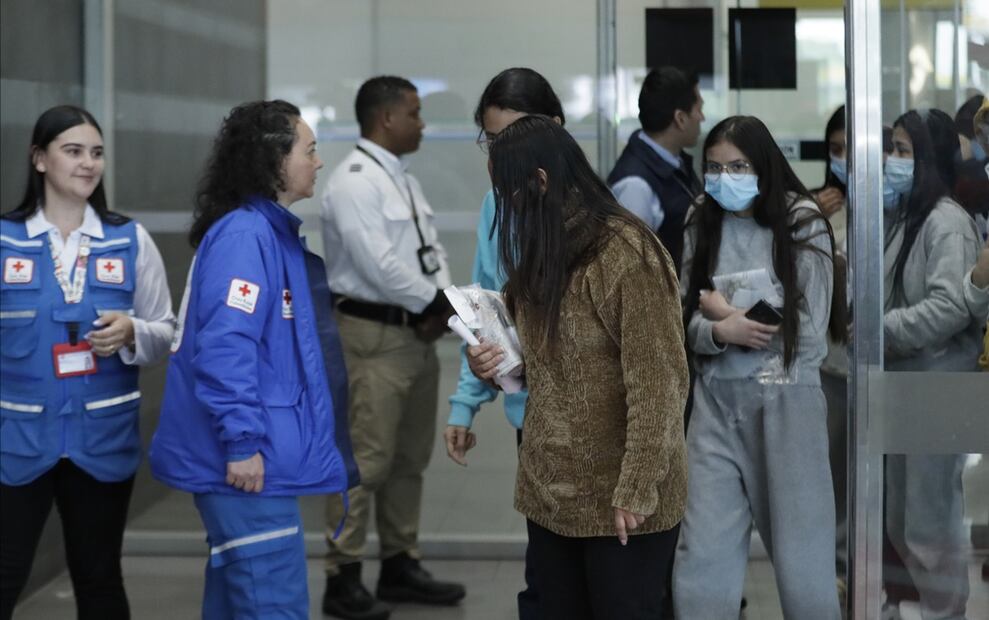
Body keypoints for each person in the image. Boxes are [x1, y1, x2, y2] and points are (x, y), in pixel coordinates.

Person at [469, 114, 689, 619]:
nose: (504, 207)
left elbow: (659, 383)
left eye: (508, 193)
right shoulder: (543, 249)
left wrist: (636, 488)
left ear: (540, 182)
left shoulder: (627, 252)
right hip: (552, 494)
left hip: (621, 500)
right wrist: (489, 358)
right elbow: (537, 360)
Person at [149, 100, 358, 619]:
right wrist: (241, 441)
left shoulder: (266, 233)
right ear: (274, 161)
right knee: (273, 605)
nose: (318, 162)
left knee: (237, 602)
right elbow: (226, 348)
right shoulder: (247, 236)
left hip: (254, 460)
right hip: (246, 466)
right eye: (309, 151)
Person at [0, 105, 175, 620]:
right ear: (39, 159)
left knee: (99, 579)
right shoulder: (5, 239)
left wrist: (133, 333)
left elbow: (167, 331)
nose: (88, 164)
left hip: (101, 439)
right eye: (72, 151)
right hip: (16, 440)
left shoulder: (130, 239)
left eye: (96, 153)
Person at [673, 115, 846, 619]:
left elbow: (807, 332)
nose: (725, 178)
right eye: (714, 167)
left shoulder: (801, 221)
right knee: (700, 559)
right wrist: (718, 331)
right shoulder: (700, 218)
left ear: (764, 165)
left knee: (803, 562)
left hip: (788, 405)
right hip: (714, 407)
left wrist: (723, 309)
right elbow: (684, 315)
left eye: (739, 166)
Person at [320, 76, 465, 620]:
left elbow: (427, 252)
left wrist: (437, 307)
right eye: (415, 113)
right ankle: (343, 575)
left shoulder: (399, 177)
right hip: (374, 339)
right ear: (386, 119)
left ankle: (400, 563)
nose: (422, 123)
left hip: (413, 335)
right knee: (365, 461)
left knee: (408, 458)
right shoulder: (356, 181)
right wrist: (438, 303)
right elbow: (377, 266)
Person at [443, 66, 564, 620]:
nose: (502, 155)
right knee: (545, 572)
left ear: (555, 130)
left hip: (586, 415)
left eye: (514, 137)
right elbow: (485, 311)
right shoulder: (498, 207)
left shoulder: (589, 213)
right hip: (530, 413)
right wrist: (467, 401)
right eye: (493, 142)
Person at [880, 109, 983, 620]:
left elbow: (951, 307)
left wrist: (882, 331)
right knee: (902, 519)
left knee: (930, 522)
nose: (891, 161)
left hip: (937, 386)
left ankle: (948, 612)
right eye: (892, 149)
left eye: (903, 151)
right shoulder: (907, 217)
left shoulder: (946, 222)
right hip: (906, 386)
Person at [607, 66, 704, 272]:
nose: (702, 117)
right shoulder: (635, 185)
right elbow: (631, 269)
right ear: (680, 118)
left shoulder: (675, 161)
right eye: (698, 109)